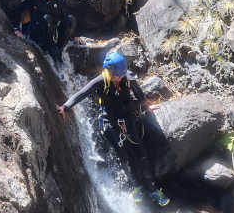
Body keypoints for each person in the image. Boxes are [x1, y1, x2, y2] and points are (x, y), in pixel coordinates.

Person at [56, 52, 170, 207]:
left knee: (141, 155)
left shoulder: (127, 77)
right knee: (126, 157)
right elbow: (81, 93)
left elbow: (139, 93)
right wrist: (65, 107)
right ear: (108, 71)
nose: (119, 78)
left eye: (120, 75)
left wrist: (147, 107)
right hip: (111, 124)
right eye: (116, 75)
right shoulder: (100, 81)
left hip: (128, 121)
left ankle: (153, 190)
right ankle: (135, 186)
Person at [12, 0, 77, 63]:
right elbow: (18, 10)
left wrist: (75, 36)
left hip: (50, 34)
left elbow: (65, 18)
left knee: (70, 20)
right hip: (35, 33)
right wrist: (16, 28)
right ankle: (54, 53)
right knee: (53, 55)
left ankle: (59, 48)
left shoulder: (58, 1)